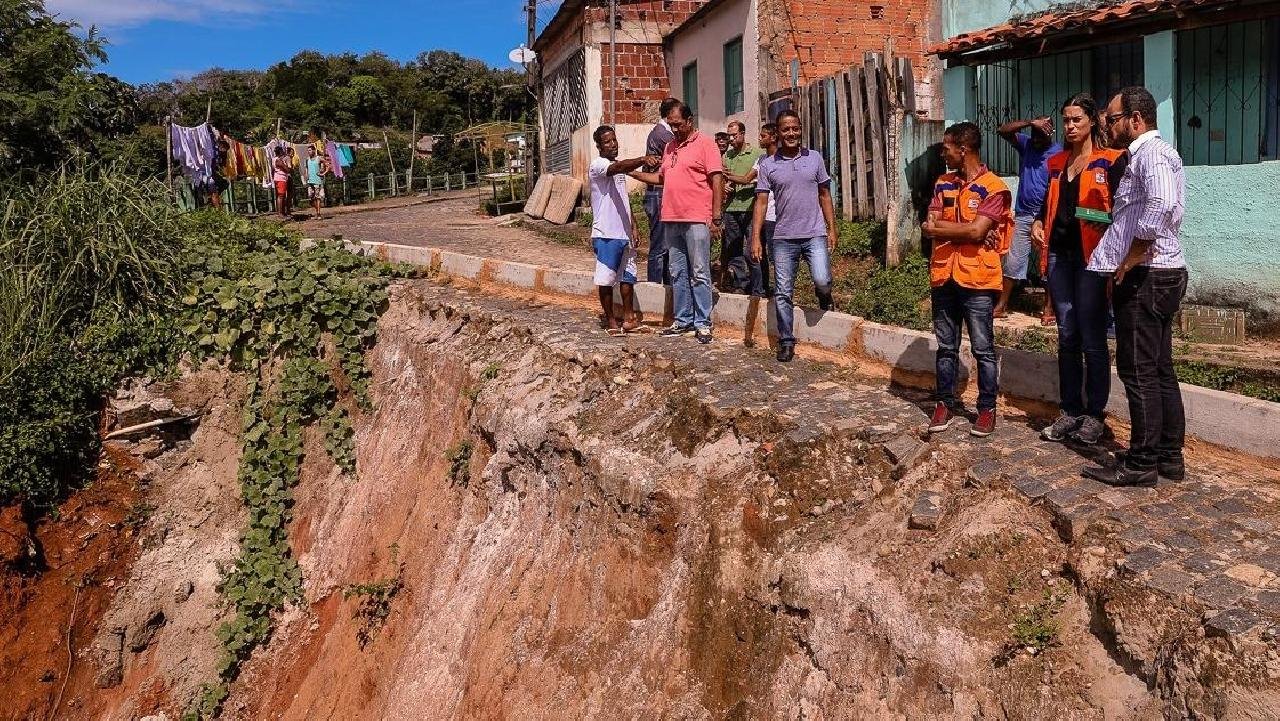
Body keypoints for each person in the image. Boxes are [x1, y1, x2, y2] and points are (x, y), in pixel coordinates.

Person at [1082, 87, 1189, 488]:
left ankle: (1143, 462)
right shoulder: (1144, 156)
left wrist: (1133, 255)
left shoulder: (1153, 154)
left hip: (1148, 276)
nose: (1106, 126)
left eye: (1111, 118)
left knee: (1138, 370)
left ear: (1135, 119)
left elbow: (1161, 205)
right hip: (1158, 273)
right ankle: (1167, 457)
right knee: (1158, 367)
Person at [1034, 94, 1129, 446]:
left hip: (1093, 260)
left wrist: (1090, 217)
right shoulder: (1057, 163)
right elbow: (1050, 205)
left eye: (1077, 120)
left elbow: (1121, 216)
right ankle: (1070, 410)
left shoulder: (1111, 162)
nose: (1070, 126)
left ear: (1092, 122)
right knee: (1067, 334)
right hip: (1059, 256)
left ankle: (1094, 416)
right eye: (1066, 120)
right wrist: (1037, 226)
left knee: (1092, 338)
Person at [922, 122, 1014, 438]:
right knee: (946, 347)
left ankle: (987, 409)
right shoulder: (942, 182)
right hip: (944, 275)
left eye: (946, 147)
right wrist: (969, 231)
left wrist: (952, 230)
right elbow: (930, 223)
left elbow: (976, 230)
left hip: (978, 280)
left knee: (983, 349)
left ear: (963, 150)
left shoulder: (994, 187)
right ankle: (944, 403)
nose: (942, 152)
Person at [629, 101, 725, 344]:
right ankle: (683, 320)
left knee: (700, 272)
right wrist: (631, 172)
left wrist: (716, 217)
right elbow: (661, 177)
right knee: (677, 271)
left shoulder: (706, 144)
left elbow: (716, 181)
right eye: (671, 125)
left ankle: (702, 322)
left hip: (696, 219)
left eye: (678, 124)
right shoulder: (670, 147)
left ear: (689, 121)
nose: (675, 129)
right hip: (671, 218)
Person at [749, 110, 836, 363]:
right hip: (783, 237)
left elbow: (825, 195)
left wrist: (832, 228)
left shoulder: (815, 158)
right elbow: (761, 203)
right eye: (786, 130)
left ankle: (824, 295)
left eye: (795, 129)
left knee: (822, 279)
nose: (791, 134)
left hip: (814, 233)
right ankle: (786, 340)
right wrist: (756, 237)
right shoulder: (768, 165)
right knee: (783, 291)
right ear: (778, 133)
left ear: (801, 129)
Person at [997, 115, 1062, 323]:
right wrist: (1029, 123)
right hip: (1024, 215)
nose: (1035, 139)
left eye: (1040, 135)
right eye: (1033, 135)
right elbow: (1003, 130)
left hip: (1046, 217)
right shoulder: (1027, 146)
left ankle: (1048, 309)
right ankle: (1002, 305)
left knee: (1046, 264)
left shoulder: (1059, 152)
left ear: (1049, 134)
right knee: (1013, 262)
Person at [588, 125, 648, 335]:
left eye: (614, 140)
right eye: (607, 142)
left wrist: (634, 226)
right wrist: (642, 159)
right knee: (606, 279)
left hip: (624, 233)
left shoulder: (618, 168)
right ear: (599, 146)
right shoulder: (599, 165)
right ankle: (611, 319)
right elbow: (615, 168)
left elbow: (624, 199)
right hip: (606, 233)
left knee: (628, 276)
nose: (613, 145)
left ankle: (630, 318)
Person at [726, 122, 779, 297]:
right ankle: (750, 286)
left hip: (768, 213)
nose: (759, 139)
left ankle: (767, 288)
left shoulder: (772, 157)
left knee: (769, 255)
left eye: (763, 136)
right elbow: (746, 178)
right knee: (745, 250)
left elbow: (747, 180)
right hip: (748, 211)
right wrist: (722, 179)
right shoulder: (760, 160)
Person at [719, 121, 763, 293]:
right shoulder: (726, 156)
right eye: (729, 136)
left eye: (734, 135)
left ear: (743, 134)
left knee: (753, 249)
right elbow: (721, 179)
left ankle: (758, 287)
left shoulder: (757, 154)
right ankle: (740, 283)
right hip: (731, 208)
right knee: (733, 248)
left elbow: (758, 179)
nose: (731, 139)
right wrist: (724, 186)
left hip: (750, 208)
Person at [642, 98, 679, 285]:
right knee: (659, 243)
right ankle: (655, 286)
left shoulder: (662, 132)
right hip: (657, 193)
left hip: (658, 193)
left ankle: (664, 285)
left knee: (665, 243)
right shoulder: (663, 134)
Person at [304, 145, 329, 218]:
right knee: (311, 197)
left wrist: (323, 173)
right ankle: (317, 210)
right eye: (308, 150)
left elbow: (327, 164)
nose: (309, 152)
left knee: (317, 197)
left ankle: (318, 213)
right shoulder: (307, 159)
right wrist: (306, 175)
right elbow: (306, 168)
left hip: (317, 180)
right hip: (310, 180)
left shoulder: (319, 158)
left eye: (310, 150)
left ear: (314, 150)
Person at [272, 145, 293, 219]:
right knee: (281, 196)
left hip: (278, 178)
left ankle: (282, 212)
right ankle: (280, 213)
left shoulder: (274, 159)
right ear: (280, 152)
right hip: (281, 178)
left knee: (281, 196)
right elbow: (287, 169)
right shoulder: (278, 160)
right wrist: (288, 168)